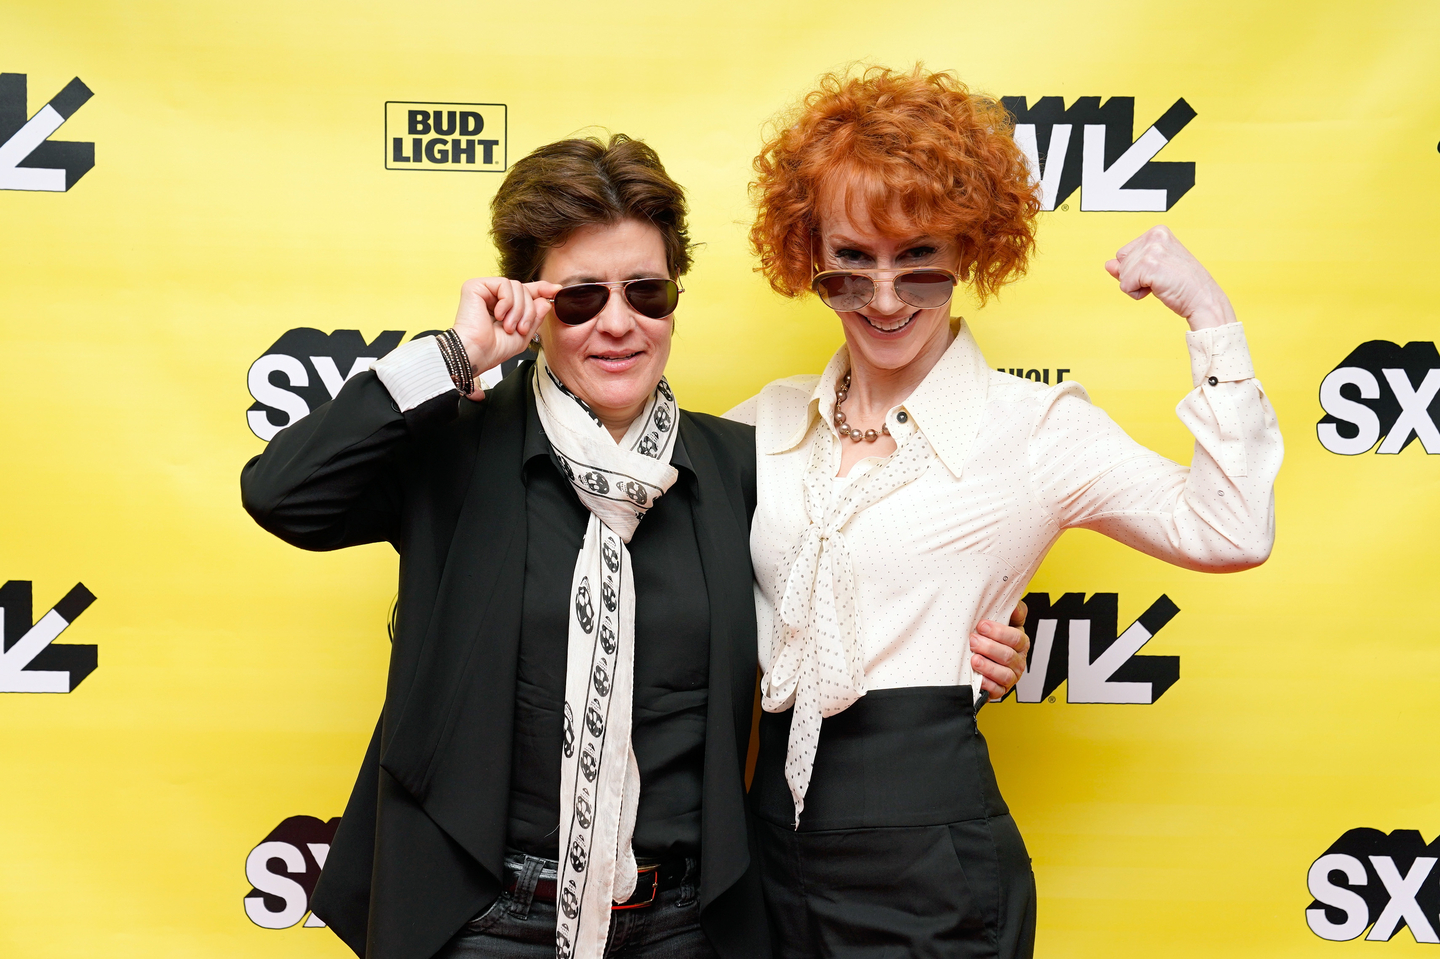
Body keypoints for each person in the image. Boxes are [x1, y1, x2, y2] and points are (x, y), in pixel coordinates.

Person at [240, 133, 1034, 959]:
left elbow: (853, 593)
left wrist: (976, 639)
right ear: (533, 301)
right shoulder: (459, 445)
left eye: (646, 293)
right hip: (479, 921)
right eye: (580, 298)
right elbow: (281, 493)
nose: (618, 324)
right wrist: (457, 355)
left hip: (682, 926)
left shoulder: (739, 467)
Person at [730, 66, 1284, 959]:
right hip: (770, 846)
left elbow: (1230, 528)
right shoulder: (764, 422)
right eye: (851, 264)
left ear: (971, 249)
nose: (882, 298)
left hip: (930, 856)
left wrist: (1209, 319)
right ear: (808, 254)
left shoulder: (1034, 428)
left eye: (919, 262)